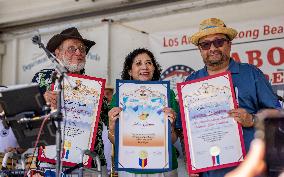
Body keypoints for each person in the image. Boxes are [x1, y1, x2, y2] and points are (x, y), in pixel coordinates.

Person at [186, 18, 281, 177]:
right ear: (200, 49)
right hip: (210, 171)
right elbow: (186, 130)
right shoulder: (191, 82)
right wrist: (192, 161)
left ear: (229, 44)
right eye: (205, 44)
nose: (213, 48)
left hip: (251, 169)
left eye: (218, 42)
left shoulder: (251, 73)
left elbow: (277, 116)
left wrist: (251, 119)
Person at [31, 27, 109, 171]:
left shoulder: (94, 87)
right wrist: (42, 101)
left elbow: (110, 121)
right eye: (71, 48)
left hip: (89, 163)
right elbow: (27, 115)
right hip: (50, 161)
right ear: (57, 53)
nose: (78, 52)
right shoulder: (42, 78)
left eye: (82, 49)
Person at [108, 48, 179, 177]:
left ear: (154, 69)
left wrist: (172, 127)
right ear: (130, 70)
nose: (145, 67)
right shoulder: (119, 97)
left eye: (149, 63)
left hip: (164, 166)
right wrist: (112, 128)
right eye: (138, 63)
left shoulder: (167, 94)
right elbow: (113, 140)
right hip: (130, 167)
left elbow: (173, 140)